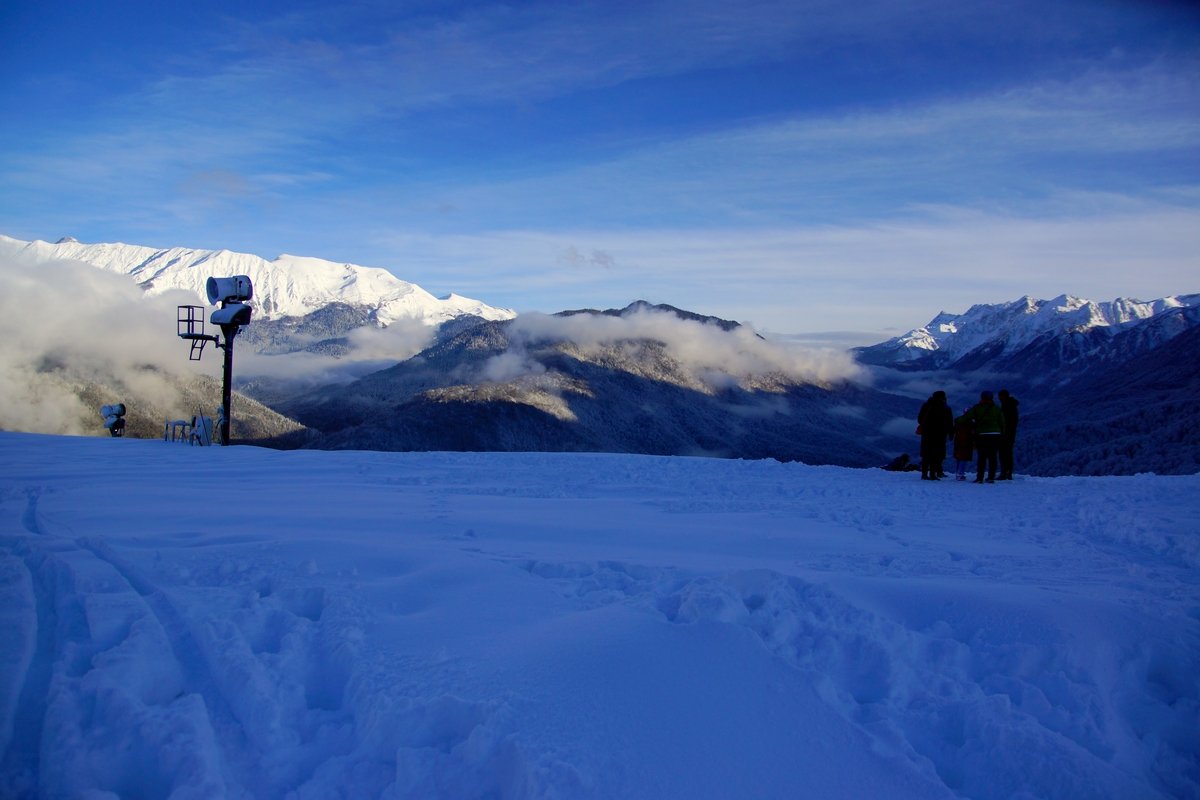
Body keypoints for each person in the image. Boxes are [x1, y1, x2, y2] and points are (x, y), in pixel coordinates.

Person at [963, 390, 1005, 483]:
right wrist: (1002, 434)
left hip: (982, 435)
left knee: (982, 457)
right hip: (995, 435)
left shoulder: (977, 408)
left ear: (981, 397)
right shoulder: (997, 408)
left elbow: (967, 417)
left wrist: (957, 421)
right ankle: (991, 477)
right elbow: (1002, 422)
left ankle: (980, 478)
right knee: (993, 457)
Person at [917, 390, 954, 480]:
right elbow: (949, 422)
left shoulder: (926, 405)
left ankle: (924, 474)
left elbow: (920, 419)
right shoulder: (945, 408)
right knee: (936, 455)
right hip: (940, 434)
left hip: (927, 433)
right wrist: (950, 433)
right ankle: (933, 474)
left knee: (926, 454)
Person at [998, 389, 1019, 480]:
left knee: (1003, 453)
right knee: (1009, 453)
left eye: (1000, 396)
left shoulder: (1006, 405)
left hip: (1005, 434)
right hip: (1011, 433)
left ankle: (1003, 473)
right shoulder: (1012, 405)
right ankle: (1009, 472)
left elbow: (1004, 420)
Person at [952, 408, 974, 481]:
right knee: (964, 457)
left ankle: (958, 472)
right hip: (967, 440)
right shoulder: (971, 422)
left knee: (959, 456)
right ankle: (960, 473)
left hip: (958, 440)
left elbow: (953, 430)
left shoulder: (958, 420)